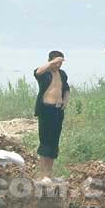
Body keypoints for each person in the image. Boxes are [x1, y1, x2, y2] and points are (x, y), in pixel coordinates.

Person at [33, 50, 71, 183]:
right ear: (50, 61)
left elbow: (66, 89)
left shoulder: (62, 74)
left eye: (60, 62)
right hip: (46, 110)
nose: (58, 65)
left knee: (54, 142)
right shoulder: (45, 73)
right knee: (45, 141)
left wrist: (65, 101)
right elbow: (37, 72)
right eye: (56, 62)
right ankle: (44, 174)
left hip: (57, 111)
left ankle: (50, 174)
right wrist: (51, 63)